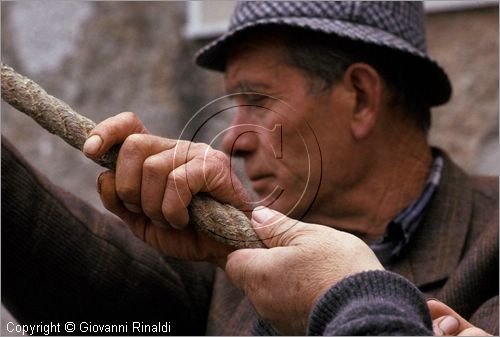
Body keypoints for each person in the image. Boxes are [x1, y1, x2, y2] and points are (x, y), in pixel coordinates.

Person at [2, 1, 497, 335]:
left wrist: (342, 294)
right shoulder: (235, 262)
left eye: (257, 100)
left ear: (362, 98)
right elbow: (86, 286)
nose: (233, 140)